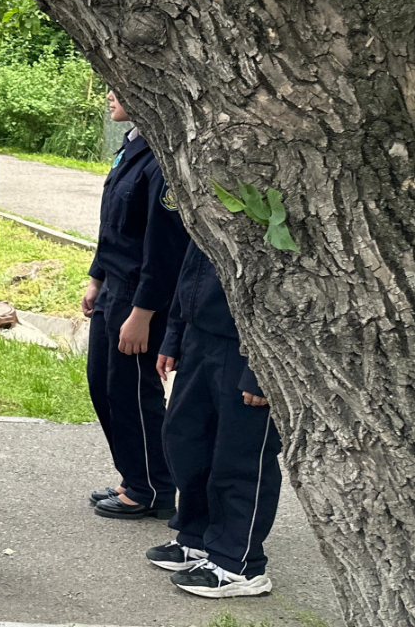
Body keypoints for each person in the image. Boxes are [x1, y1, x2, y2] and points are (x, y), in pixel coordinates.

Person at [148, 243, 282, 598]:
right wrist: (174, 335)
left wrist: (264, 367)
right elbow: (191, 265)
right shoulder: (212, 199)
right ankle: (197, 536)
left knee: (241, 457)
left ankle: (239, 563)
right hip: (199, 336)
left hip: (247, 348)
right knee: (186, 442)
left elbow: (290, 288)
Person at [83, 90, 190, 520]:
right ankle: (133, 473)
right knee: (104, 386)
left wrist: (143, 314)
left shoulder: (161, 158)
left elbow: (163, 247)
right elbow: (113, 227)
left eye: (119, 86)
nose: (109, 94)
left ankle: (152, 487)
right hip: (114, 286)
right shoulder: (132, 145)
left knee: (132, 392)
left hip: (138, 298)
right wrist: (95, 278)